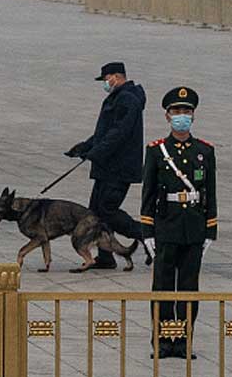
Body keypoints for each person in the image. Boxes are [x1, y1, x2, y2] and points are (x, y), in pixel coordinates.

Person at [141, 87, 217, 359]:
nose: (181, 116)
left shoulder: (204, 151)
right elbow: (148, 193)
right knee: (162, 286)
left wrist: (211, 229)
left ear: (193, 116)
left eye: (186, 112)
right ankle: (162, 341)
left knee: (188, 287)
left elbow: (210, 191)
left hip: (193, 227)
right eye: (176, 112)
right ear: (167, 115)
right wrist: (147, 230)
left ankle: (183, 340)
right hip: (166, 225)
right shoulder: (156, 151)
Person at [66, 62, 147, 269]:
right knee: (95, 213)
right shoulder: (116, 98)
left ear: (116, 77)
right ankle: (106, 256)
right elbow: (104, 132)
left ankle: (146, 234)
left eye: (105, 79)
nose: (104, 83)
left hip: (119, 168)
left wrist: (96, 152)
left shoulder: (128, 99)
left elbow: (119, 133)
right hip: (107, 167)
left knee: (107, 209)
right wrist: (84, 147)